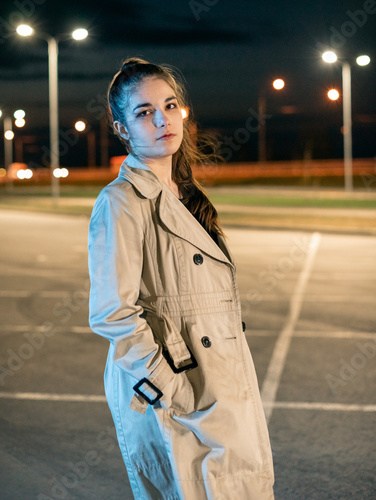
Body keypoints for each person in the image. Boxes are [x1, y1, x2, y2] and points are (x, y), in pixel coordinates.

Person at [88, 57, 275, 499]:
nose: (161, 120)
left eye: (169, 106)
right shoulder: (121, 201)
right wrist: (169, 390)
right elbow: (112, 314)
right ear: (122, 130)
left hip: (219, 379)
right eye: (144, 112)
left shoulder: (186, 193)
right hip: (179, 392)